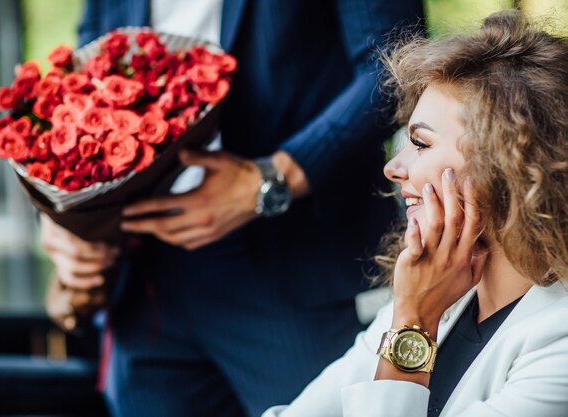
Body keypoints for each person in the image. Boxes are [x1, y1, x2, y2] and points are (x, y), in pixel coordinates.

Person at [40, 1, 424, 416]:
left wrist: (272, 180)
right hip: (145, 280)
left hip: (294, 262)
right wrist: (66, 217)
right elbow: (86, 81)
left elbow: (395, 65)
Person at [262, 9, 568, 417]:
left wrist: (414, 326)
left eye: (421, 143)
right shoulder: (434, 289)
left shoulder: (558, 343)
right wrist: (412, 313)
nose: (393, 167)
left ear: (510, 163)